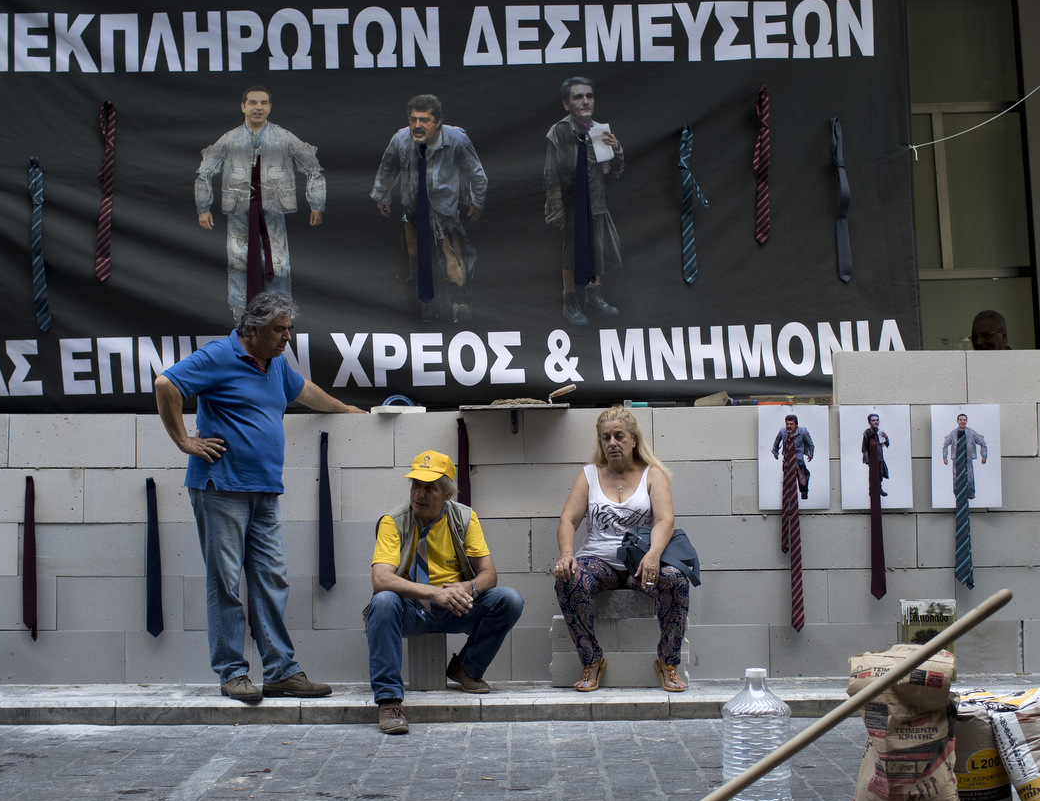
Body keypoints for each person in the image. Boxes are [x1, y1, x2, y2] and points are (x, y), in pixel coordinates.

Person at [153, 292, 364, 703]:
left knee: (271, 580)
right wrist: (184, 441)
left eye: (289, 329)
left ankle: (281, 671)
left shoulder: (276, 364)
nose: (287, 338)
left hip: (265, 490)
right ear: (252, 329)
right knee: (226, 583)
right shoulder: (219, 355)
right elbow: (166, 384)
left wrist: (349, 411)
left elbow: (306, 393)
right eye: (278, 330)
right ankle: (233, 673)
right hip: (221, 488)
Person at [365, 450, 524, 734]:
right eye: (416, 485)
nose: (419, 494)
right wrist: (433, 593)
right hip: (411, 609)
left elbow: (490, 574)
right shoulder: (393, 521)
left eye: (429, 488)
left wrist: (468, 586)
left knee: (509, 600)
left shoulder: (464, 518)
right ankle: (389, 701)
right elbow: (381, 579)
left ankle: (466, 668)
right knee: (383, 600)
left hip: (455, 607)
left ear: (447, 494)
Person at [552, 406, 689, 692]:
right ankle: (592, 661)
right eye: (606, 438)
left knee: (676, 580)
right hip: (597, 561)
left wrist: (653, 555)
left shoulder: (653, 474)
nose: (612, 443)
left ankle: (668, 662)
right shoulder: (590, 474)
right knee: (568, 579)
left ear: (633, 439)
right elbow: (568, 518)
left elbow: (666, 520)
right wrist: (567, 554)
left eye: (619, 436)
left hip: (639, 561)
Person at [195, 85, 326, 317]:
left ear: (270, 107)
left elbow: (313, 168)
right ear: (243, 106)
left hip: (273, 209)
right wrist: (203, 207)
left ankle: (281, 311)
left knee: (278, 261)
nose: (258, 107)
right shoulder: (230, 139)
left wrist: (317, 203)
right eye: (253, 102)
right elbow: (204, 172)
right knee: (238, 261)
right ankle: (240, 313)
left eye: (263, 103)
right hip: (239, 209)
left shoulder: (284, 137)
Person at [371, 94, 488, 323]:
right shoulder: (401, 139)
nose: (417, 125)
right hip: (413, 207)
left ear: (438, 122)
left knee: (452, 254)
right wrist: (381, 195)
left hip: (445, 209)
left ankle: (461, 304)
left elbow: (477, 174)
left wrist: (478, 201)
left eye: (424, 120)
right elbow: (387, 167)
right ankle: (428, 305)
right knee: (415, 255)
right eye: (413, 119)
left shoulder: (457, 140)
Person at [544, 76, 623, 326]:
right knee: (571, 254)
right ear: (566, 104)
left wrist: (617, 148)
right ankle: (570, 300)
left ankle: (593, 296)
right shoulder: (558, 132)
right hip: (571, 205)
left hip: (596, 202)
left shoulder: (600, 131)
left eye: (589, 96)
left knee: (596, 251)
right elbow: (551, 174)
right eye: (578, 97)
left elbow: (615, 171)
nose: (585, 101)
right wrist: (557, 211)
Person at [941, 413, 990, 498]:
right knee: (956, 475)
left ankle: (970, 493)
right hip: (957, 458)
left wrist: (984, 456)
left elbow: (982, 442)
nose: (962, 422)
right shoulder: (953, 433)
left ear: (966, 421)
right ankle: (957, 493)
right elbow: (945, 445)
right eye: (961, 420)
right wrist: (945, 457)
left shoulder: (971, 432)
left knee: (969, 475)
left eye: (964, 420)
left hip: (968, 457)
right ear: (957, 421)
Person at [772, 413, 815, 501]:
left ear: (796, 424)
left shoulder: (803, 432)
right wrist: (775, 452)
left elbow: (810, 444)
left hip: (798, 459)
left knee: (802, 477)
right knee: (787, 478)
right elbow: (776, 442)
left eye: (791, 424)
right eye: (787, 424)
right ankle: (788, 496)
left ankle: (804, 493)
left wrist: (810, 455)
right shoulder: (783, 432)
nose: (789, 426)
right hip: (787, 459)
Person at [861, 412, 890, 497]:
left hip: (880, 457)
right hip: (872, 458)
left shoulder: (880, 432)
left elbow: (886, 445)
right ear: (869, 422)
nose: (876, 422)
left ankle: (879, 488)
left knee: (880, 473)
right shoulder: (867, 432)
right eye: (873, 420)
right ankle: (872, 490)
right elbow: (864, 447)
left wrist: (886, 438)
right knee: (873, 475)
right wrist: (867, 459)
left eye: (877, 420)